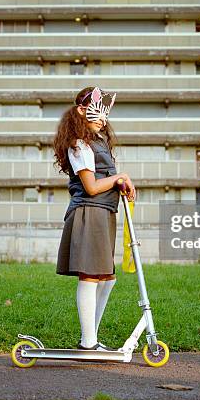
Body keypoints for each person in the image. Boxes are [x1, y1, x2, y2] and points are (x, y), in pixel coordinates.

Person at [53, 86, 136, 351]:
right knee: (90, 277)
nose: (102, 119)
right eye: (98, 113)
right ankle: (88, 343)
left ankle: (91, 339)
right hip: (88, 213)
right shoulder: (79, 145)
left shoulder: (98, 143)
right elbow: (91, 187)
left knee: (106, 278)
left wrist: (119, 184)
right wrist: (120, 177)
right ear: (81, 110)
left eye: (105, 115)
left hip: (103, 214)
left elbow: (105, 181)